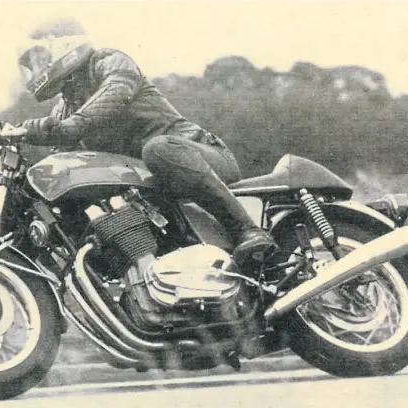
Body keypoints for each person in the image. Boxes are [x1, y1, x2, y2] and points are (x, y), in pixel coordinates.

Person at [16, 18, 277, 265]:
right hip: (157, 187)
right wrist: (24, 135)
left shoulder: (107, 61)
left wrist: (70, 126)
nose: (38, 67)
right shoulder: (64, 107)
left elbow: (116, 91)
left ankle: (247, 229)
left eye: (41, 57)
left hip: (198, 157)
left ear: (65, 45)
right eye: (33, 63)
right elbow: (61, 155)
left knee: (158, 149)